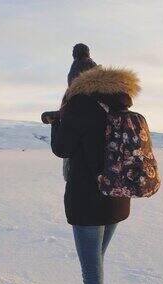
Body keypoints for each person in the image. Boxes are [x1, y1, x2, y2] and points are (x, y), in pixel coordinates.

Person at [48, 66, 141, 284]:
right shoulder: (118, 102)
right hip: (117, 197)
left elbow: (62, 148)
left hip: (88, 201)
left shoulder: (79, 104)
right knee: (96, 263)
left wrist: (56, 123)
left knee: (92, 275)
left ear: (75, 82)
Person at [62, 43, 98, 181]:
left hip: (79, 174)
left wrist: (55, 124)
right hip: (107, 177)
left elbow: (62, 148)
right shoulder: (109, 102)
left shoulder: (74, 105)